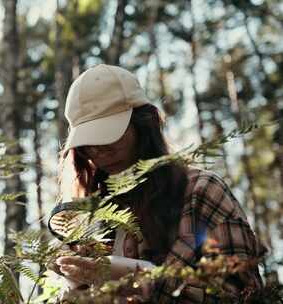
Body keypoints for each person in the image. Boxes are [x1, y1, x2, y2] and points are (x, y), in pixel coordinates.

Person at [51, 64, 267, 303]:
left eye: (107, 136)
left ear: (146, 124)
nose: (98, 151)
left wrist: (141, 281)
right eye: (87, 143)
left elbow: (243, 294)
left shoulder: (200, 192)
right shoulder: (86, 220)